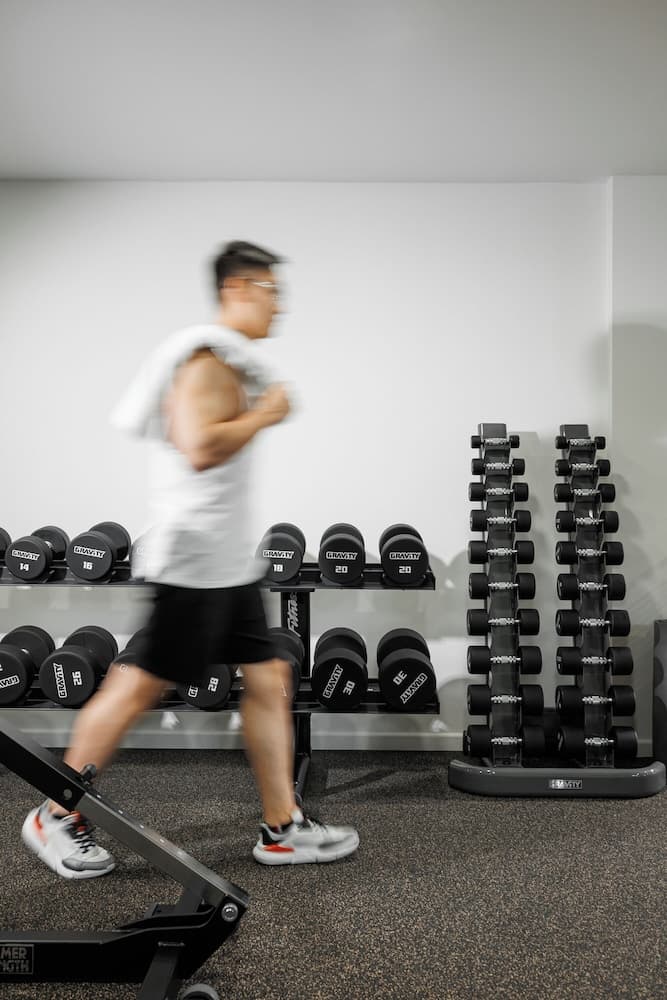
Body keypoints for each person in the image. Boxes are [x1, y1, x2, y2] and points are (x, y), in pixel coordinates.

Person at [22, 240, 359, 877]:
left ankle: (282, 828)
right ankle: (55, 812)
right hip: (194, 561)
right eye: (271, 291)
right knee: (139, 684)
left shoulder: (228, 362)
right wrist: (265, 414)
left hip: (228, 562)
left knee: (268, 679)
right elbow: (199, 446)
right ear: (237, 289)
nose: (280, 306)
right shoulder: (204, 362)